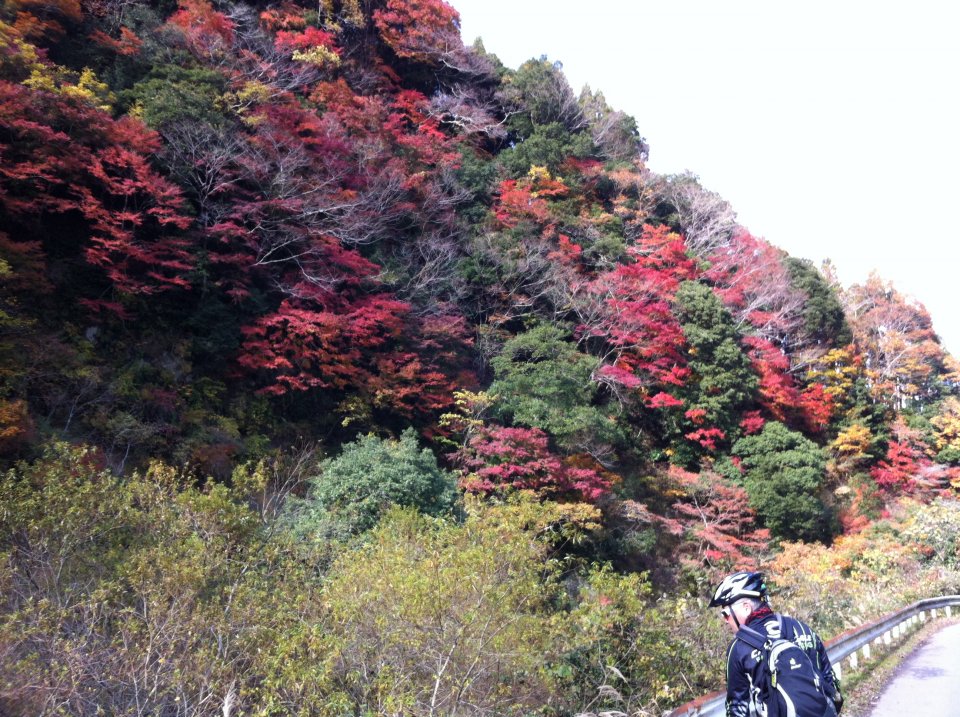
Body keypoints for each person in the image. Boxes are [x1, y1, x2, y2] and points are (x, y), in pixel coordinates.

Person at [709, 571, 843, 717]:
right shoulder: (801, 628)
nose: (725, 619)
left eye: (725, 613)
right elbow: (830, 682)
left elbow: (737, 708)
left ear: (746, 607)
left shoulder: (739, 648)